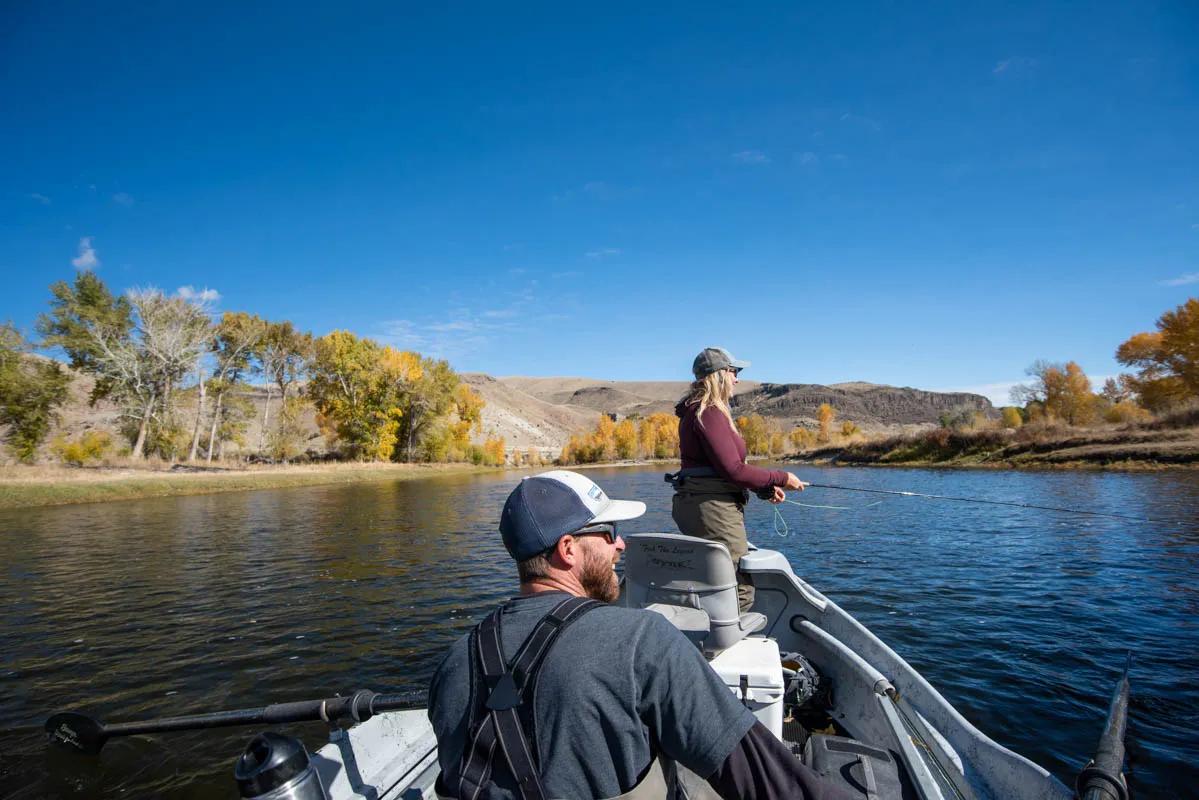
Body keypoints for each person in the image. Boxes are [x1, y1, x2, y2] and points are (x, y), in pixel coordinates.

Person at [427, 470, 854, 800]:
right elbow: (766, 781)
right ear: (568, 549)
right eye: (609, 533)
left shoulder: (455, 659)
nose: (621, 546)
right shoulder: (640, 639)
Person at [670, 347, 807, 612]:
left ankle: (706, 645)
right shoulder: (708, 412)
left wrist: (764, 488)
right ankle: (721, 650)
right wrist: (781, 476)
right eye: (734, 371)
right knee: (737, 591)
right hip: (714, 510)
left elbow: (717, 469)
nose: (737, 379)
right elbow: (733, 469)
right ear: (719, 374)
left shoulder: (697, 411)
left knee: (713, 582)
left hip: (702, 505)